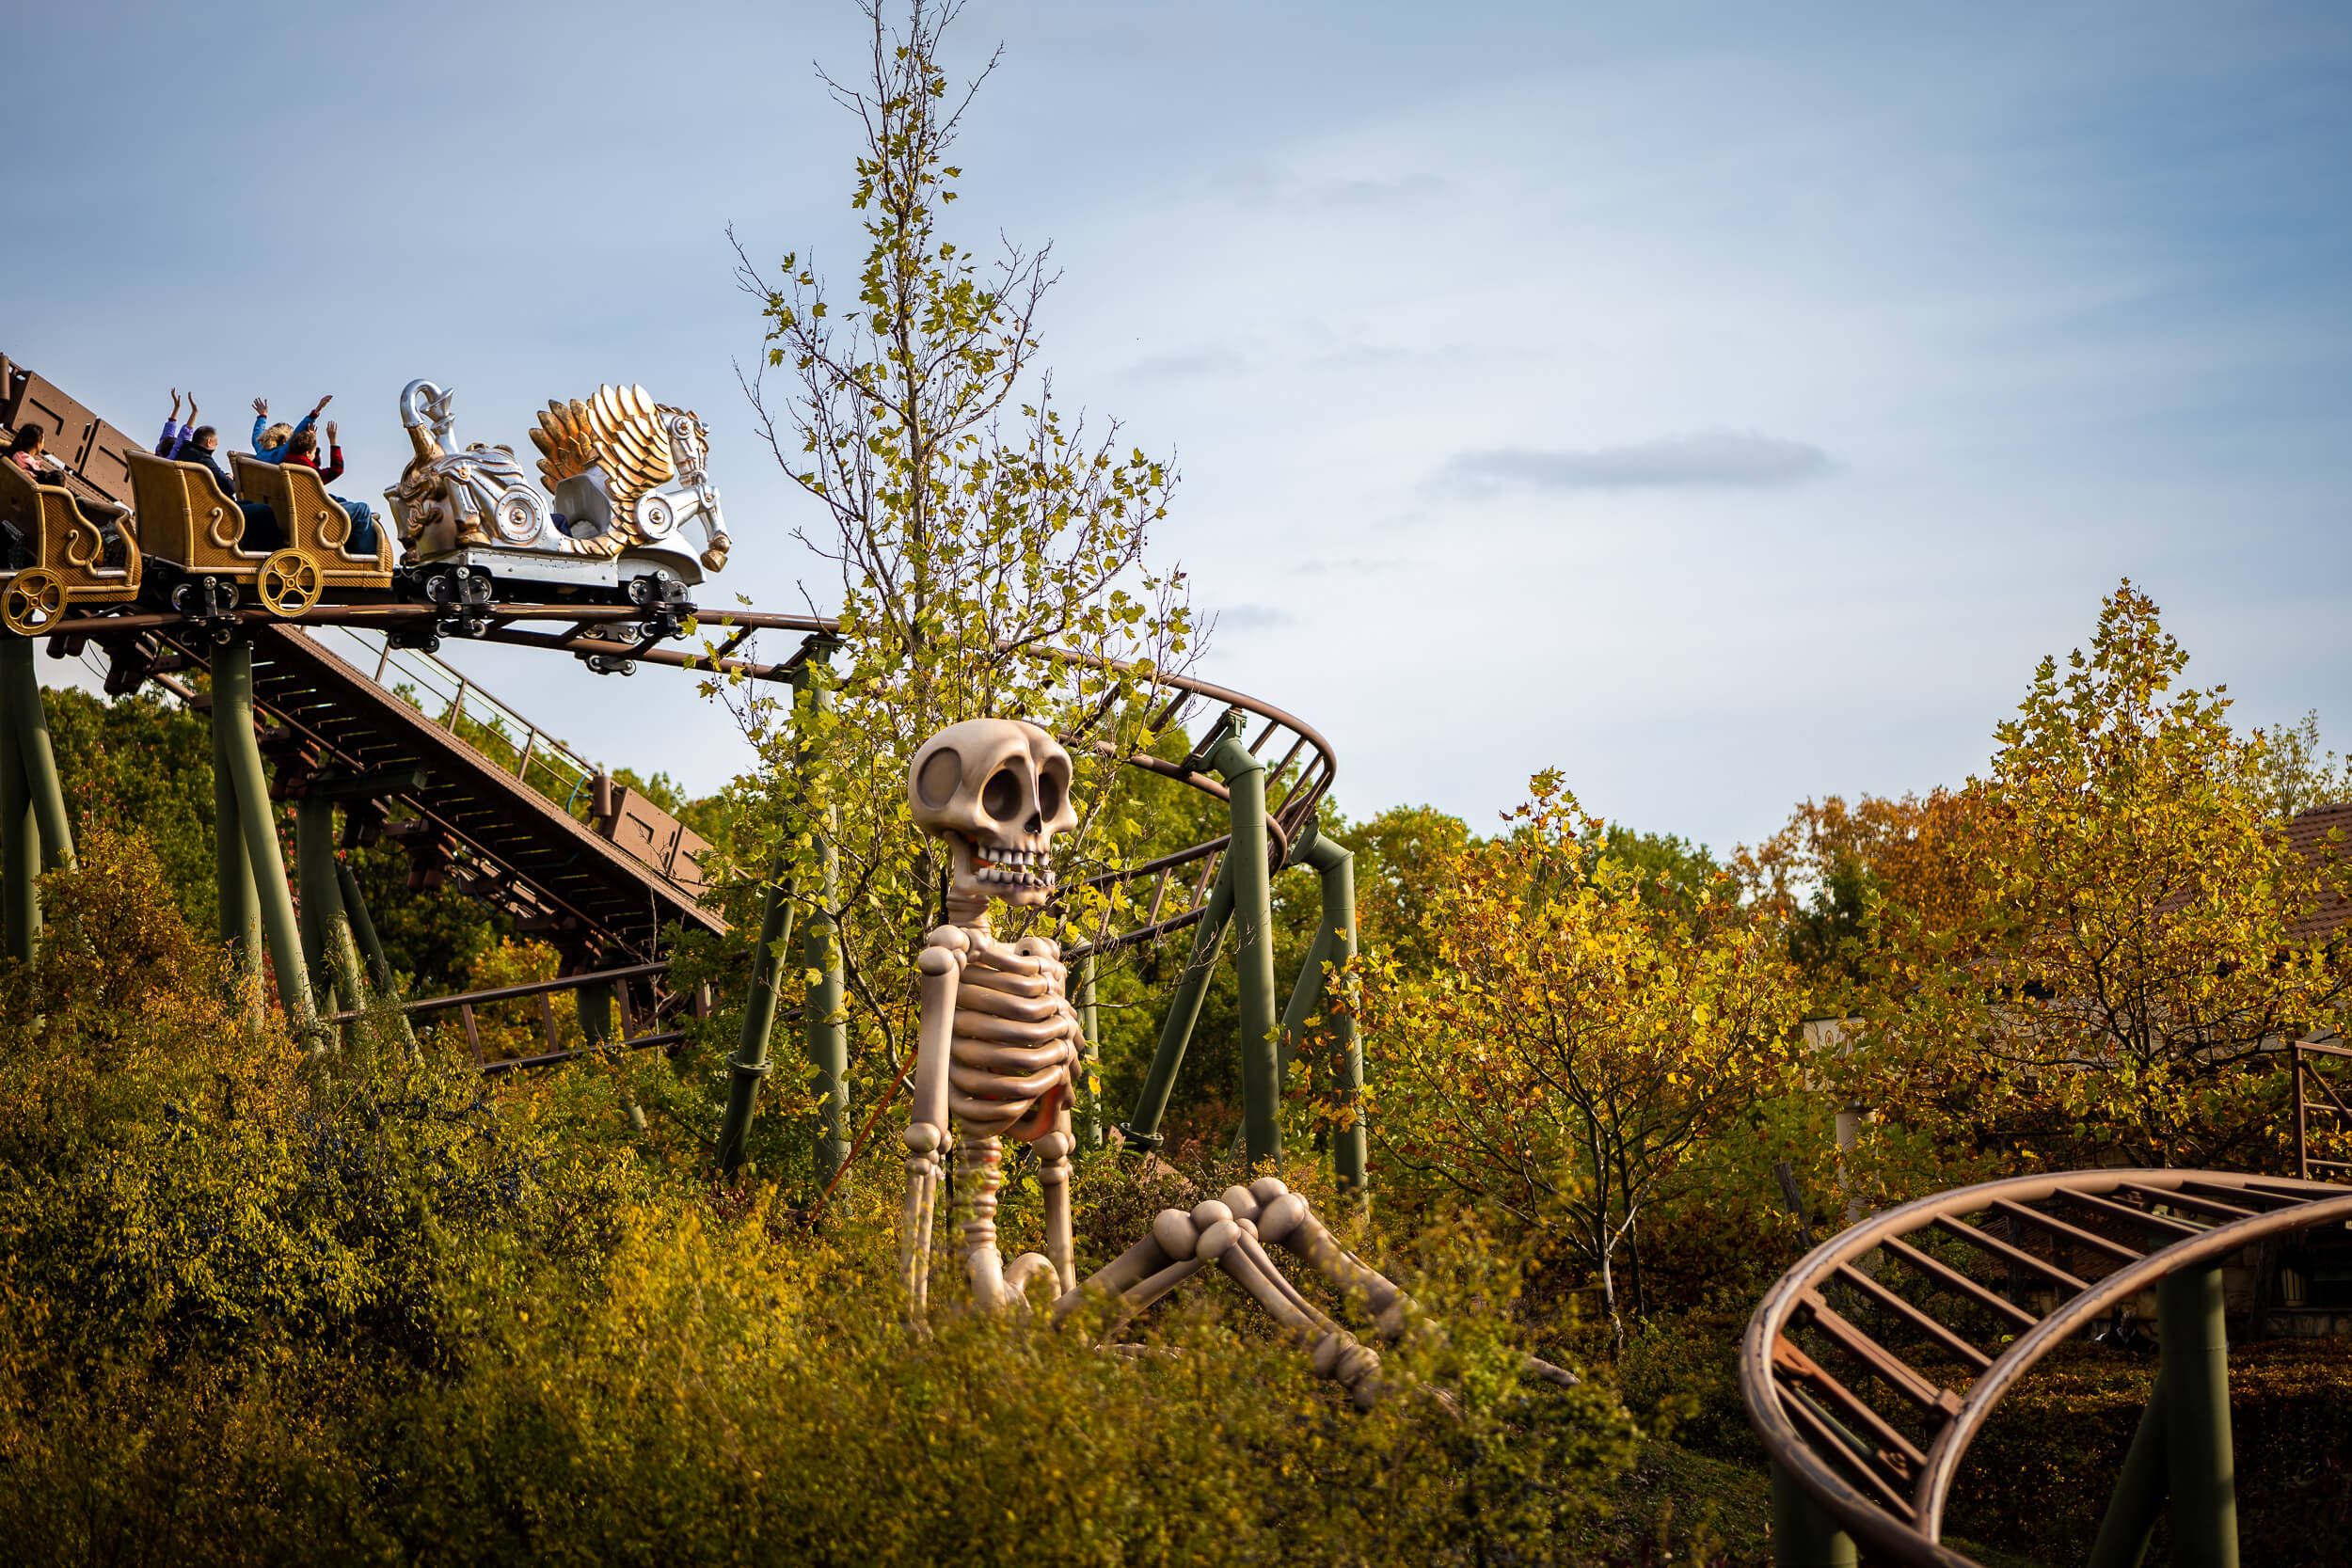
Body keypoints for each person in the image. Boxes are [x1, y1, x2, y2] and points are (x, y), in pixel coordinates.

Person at [168, 424, 283, 552]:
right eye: (216, 445)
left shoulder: (185, 454)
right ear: (209, 442)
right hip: (215, 513)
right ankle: (277, 551)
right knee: (264, 510)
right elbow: (229, 487)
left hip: (204, 508)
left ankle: (252, 549)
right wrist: (230, 478)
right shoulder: (203, 459)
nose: (216, 448)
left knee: (249, 503)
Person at [282, 421, 378, 555]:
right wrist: (333, 442)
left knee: (342, 500)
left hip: (299, 512)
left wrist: (312, 441)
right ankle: (367, 555)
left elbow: (313, 465)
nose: (315, 455)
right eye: (315, 452)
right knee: (362, 509)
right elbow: (336, 470)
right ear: (307, 453)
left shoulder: (290, 463)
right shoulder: (307, 474)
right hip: (315, 518)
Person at [251, 394, 330, 463]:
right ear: (284, 441)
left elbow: (257, 433)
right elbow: (298, 430)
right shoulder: (280, 455)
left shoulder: (260, 450)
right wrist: (316, 411)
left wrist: (262, 416)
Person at [154, 388, 204, 458]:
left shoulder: (156, 457)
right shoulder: (170, 460)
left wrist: (176, 407)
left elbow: (167, 433)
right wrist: (195, 411)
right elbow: (182, 439)